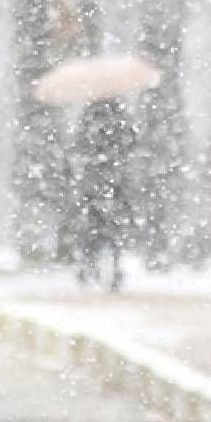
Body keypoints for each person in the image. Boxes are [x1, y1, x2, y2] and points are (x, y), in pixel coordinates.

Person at [67, 98, 136, 289]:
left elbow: (79, 145)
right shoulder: (118, 114)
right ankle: (109, 268)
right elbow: (130, 143)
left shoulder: (90, 115)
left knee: (93, 227)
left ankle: (91, 266)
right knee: (110, 229)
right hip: (112, 181)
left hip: (98, 182)